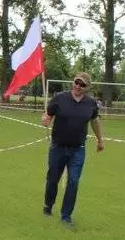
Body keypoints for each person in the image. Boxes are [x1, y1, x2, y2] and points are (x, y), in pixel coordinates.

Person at [40, 72, 104, 227]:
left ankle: (66, 216)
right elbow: (48, 115)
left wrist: (100, 140)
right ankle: (48, 205)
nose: (78, 86)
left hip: (78, 149)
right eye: (76, 82)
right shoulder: (59, 98)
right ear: (72, 82)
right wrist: (45, 120)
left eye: (82, 84)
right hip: (58, 147)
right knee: (53, 179)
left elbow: (95, 121)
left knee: (74, 181)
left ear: (87, 87)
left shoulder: (91, 103)